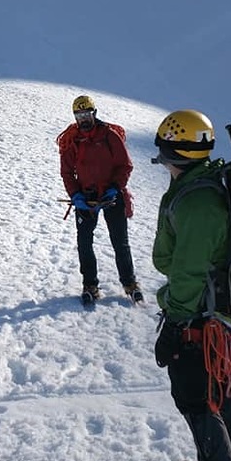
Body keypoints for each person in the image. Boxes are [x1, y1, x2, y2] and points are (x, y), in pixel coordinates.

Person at [152, 109, 231, 461]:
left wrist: (173, 324)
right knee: (221, 392)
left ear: (177, 154)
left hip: (198, 317)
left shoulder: (197, 204)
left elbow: (188, 272)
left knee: (198, 398)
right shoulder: (201, 184)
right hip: (212, 312)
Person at [58, 94, 142, 304]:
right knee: (84, 243)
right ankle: (90, 284)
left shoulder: (110, 135)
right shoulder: (72, 140)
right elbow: (67, 173)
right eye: (79, 115)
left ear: (94, 113)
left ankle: (129, 282)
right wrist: (75, 195)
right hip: (86, 198)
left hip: (111, 195)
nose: (83, 119)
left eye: (87, 114)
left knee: (120, 242)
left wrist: (115, 188)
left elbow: (125, 165)